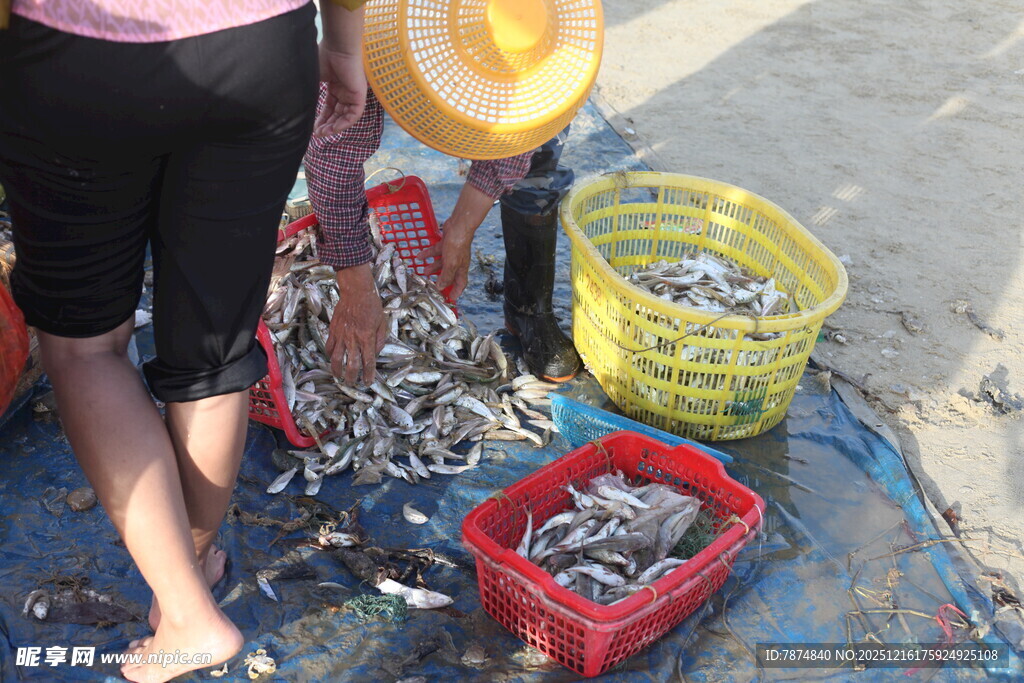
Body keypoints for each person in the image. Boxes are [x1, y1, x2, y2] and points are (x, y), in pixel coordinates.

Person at [0, 2, 365, 681]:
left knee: (86, 349)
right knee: (215, 351)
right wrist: (344, 43)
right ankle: (187, 575)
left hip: (84, 56)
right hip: (261, 51)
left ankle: (188, 610)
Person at [305, 88, 583, 386]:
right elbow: (333, 152)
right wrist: (356, 288)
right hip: (372, 62)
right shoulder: (364, 50)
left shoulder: (552, 69)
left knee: (538, 150)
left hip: (531, 79)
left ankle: (529, 309)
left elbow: (524, 130)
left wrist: (463, 228)